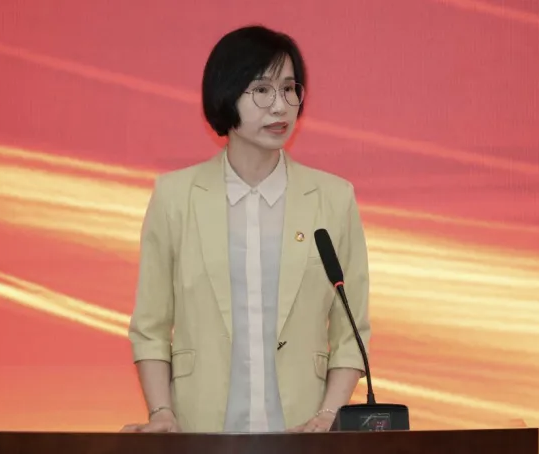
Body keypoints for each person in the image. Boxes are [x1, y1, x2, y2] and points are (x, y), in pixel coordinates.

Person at [121, 24, 371, 434]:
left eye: (289, 89)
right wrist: (161, 412)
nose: (280, 106)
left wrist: (328, 416)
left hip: (304, 434)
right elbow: (150, 327)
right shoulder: (175, 197)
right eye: (262, 90)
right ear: (226, 94)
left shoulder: (333, 199)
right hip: (199, 432)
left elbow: (351, 332)